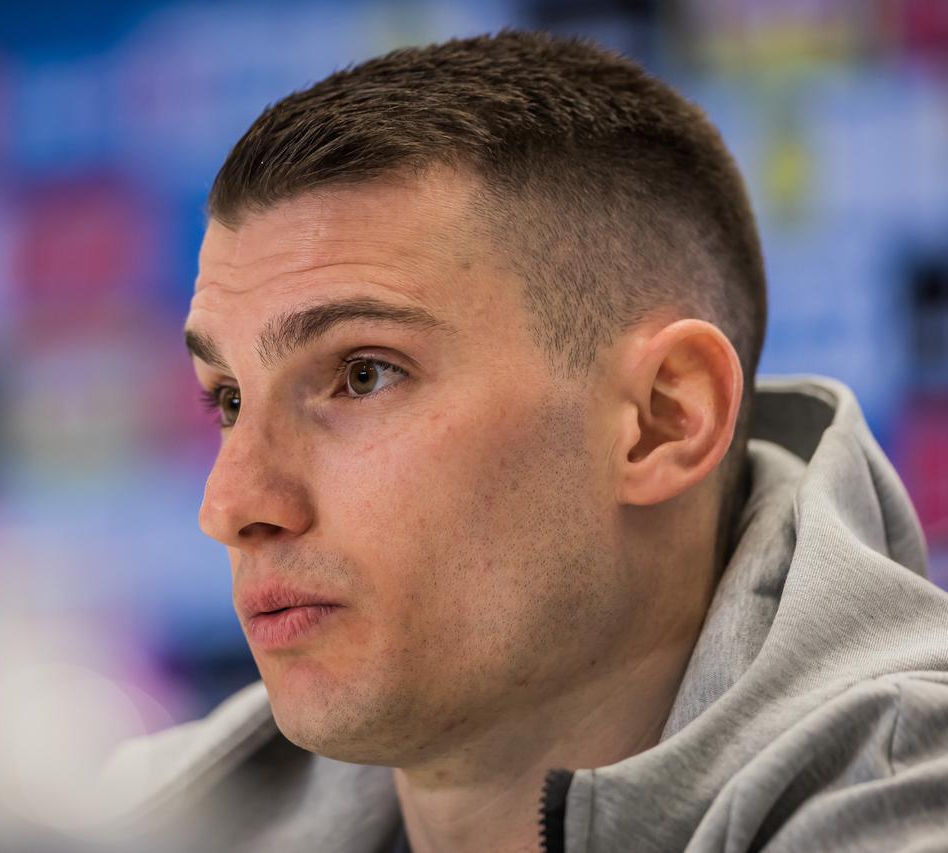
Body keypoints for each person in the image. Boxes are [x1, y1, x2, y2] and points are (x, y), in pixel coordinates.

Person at [95, 30, 948, 852]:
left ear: (661, 420)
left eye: (363, 374)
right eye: (229, 398)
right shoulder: (138, 816)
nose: (231, 504)